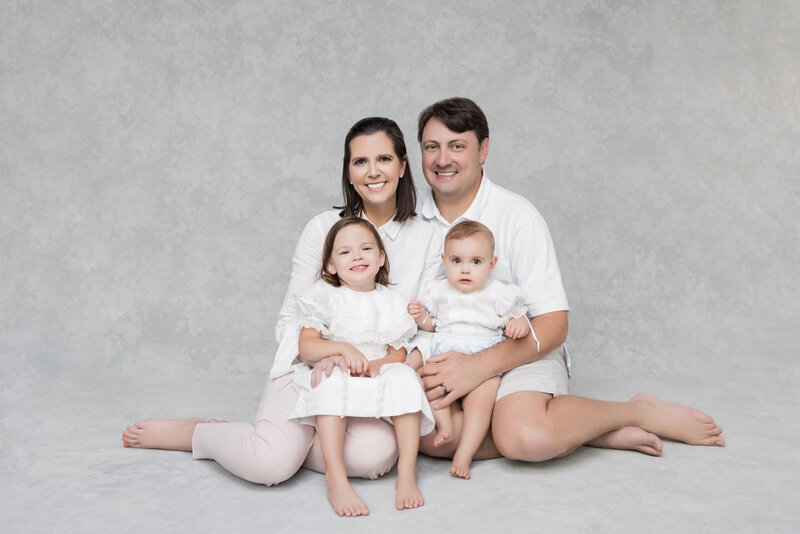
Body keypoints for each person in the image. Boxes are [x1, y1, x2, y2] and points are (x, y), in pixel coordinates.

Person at [122, 117, 442, 501]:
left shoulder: (426, 237)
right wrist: (323, 356)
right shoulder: (323, 228)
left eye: (384, 159)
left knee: (375, 458)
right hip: (312, 366)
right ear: (349, 171)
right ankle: (201, 433)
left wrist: (388, 367)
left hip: (373, 375)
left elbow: (423, 328)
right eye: (360, 162)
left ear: (403, 165)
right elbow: (293, 316)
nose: (373, 171)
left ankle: (276, 440)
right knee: (270, 467)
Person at [414, 97, 725, 463]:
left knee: (524, 440)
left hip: (520, 351)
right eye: (431, 147)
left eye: (457, 146)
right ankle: (583, 430)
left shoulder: (518, 217)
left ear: (482, 150)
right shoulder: (410, 215)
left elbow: (554, 325)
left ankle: (636, 411)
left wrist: (476, 368)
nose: (442, 159)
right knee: (428, 436)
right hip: (444, 350)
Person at [289, 217, 433, 515]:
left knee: (405, 376)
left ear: (381, 258)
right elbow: (306, 347)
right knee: (332, 378)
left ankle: (407, 473)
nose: (356, 256)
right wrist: (341, 348)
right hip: (338, 369)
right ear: (330, 265)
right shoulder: (325, 297)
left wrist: (377, 365)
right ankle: (336, 478)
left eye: (366, 248)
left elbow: (397, 353)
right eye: (345, 252)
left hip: (375, 373)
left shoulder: (393, 302)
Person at [408, 220, 529, 479]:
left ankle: (465, 452)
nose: (465, 270)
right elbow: (433, 325)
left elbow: (517, 317)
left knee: (480, 404)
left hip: (482, 364)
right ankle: (445, 427)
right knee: (433, 392)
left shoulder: (497, 293)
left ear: (491, 264)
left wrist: (519, 323)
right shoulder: (440, 291)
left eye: (476, 262)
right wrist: (421, 319)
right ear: (444, 261)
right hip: (444, 356)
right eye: (456, 261)